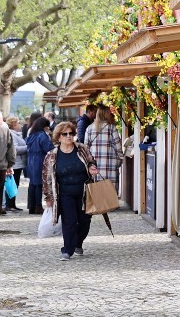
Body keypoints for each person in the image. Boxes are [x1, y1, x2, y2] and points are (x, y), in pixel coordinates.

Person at [42, 121, 98, 261]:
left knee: (85, 221)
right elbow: (46, 177)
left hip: (84, 191)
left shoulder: (82, 149)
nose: (68, 136)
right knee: (70, 221)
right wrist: (48, 197)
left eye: (71, 133)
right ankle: (67, 249)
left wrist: (91, 167)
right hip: (65, 193)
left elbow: (91, 161)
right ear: (58, 137)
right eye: (65, 134)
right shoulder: (52, 155)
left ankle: (78, 243)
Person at [84, 105, 123, 196]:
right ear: (106, 115)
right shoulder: (111, 128)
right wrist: (120, 159)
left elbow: (86, 148)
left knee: (96, 188)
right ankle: (109, 204)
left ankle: (99, 205)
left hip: (94, 165)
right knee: (110, 188)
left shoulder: (89, 128)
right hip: (110, 164)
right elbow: (118, 147)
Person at [25, 116, 53, 214]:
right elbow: (49, 148)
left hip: (31, 161)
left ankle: (31, 206)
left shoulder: (32, 135)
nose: (48, 128)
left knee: (33, 184)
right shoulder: (42, 135)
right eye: (47, 126)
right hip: (40, 160)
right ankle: (38, 206)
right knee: (39, 184)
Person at [5, 116, 27, 212]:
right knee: (12, 183)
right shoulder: (12, 134)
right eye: (18, 123)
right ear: (14, 124)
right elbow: (15, 149)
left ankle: (12, 204)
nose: (20, 125)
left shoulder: (16, 134)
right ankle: (10, 204)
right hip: (16, 163)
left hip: (19, 162)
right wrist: (28, 147)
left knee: (15, 183)